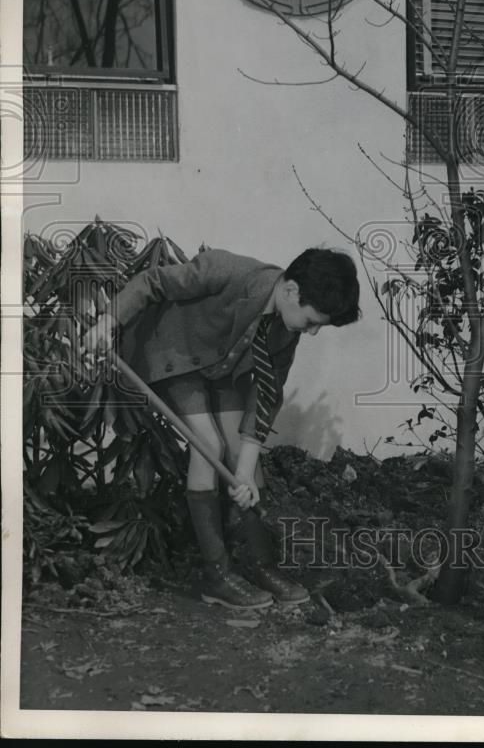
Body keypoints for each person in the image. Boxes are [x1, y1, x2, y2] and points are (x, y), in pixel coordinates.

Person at [85, 246, 360, 610]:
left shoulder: (285, 330)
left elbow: (265, 394)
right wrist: (109, 321)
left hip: (223, 370)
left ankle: (261, 565)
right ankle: (217, 574)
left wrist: (244, 471)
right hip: (174, 358)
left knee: (244, 457)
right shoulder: (228, 270)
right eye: (311, 322)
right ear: (291, 291)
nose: (309, 333)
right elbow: (154, 282)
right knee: (209, 447)